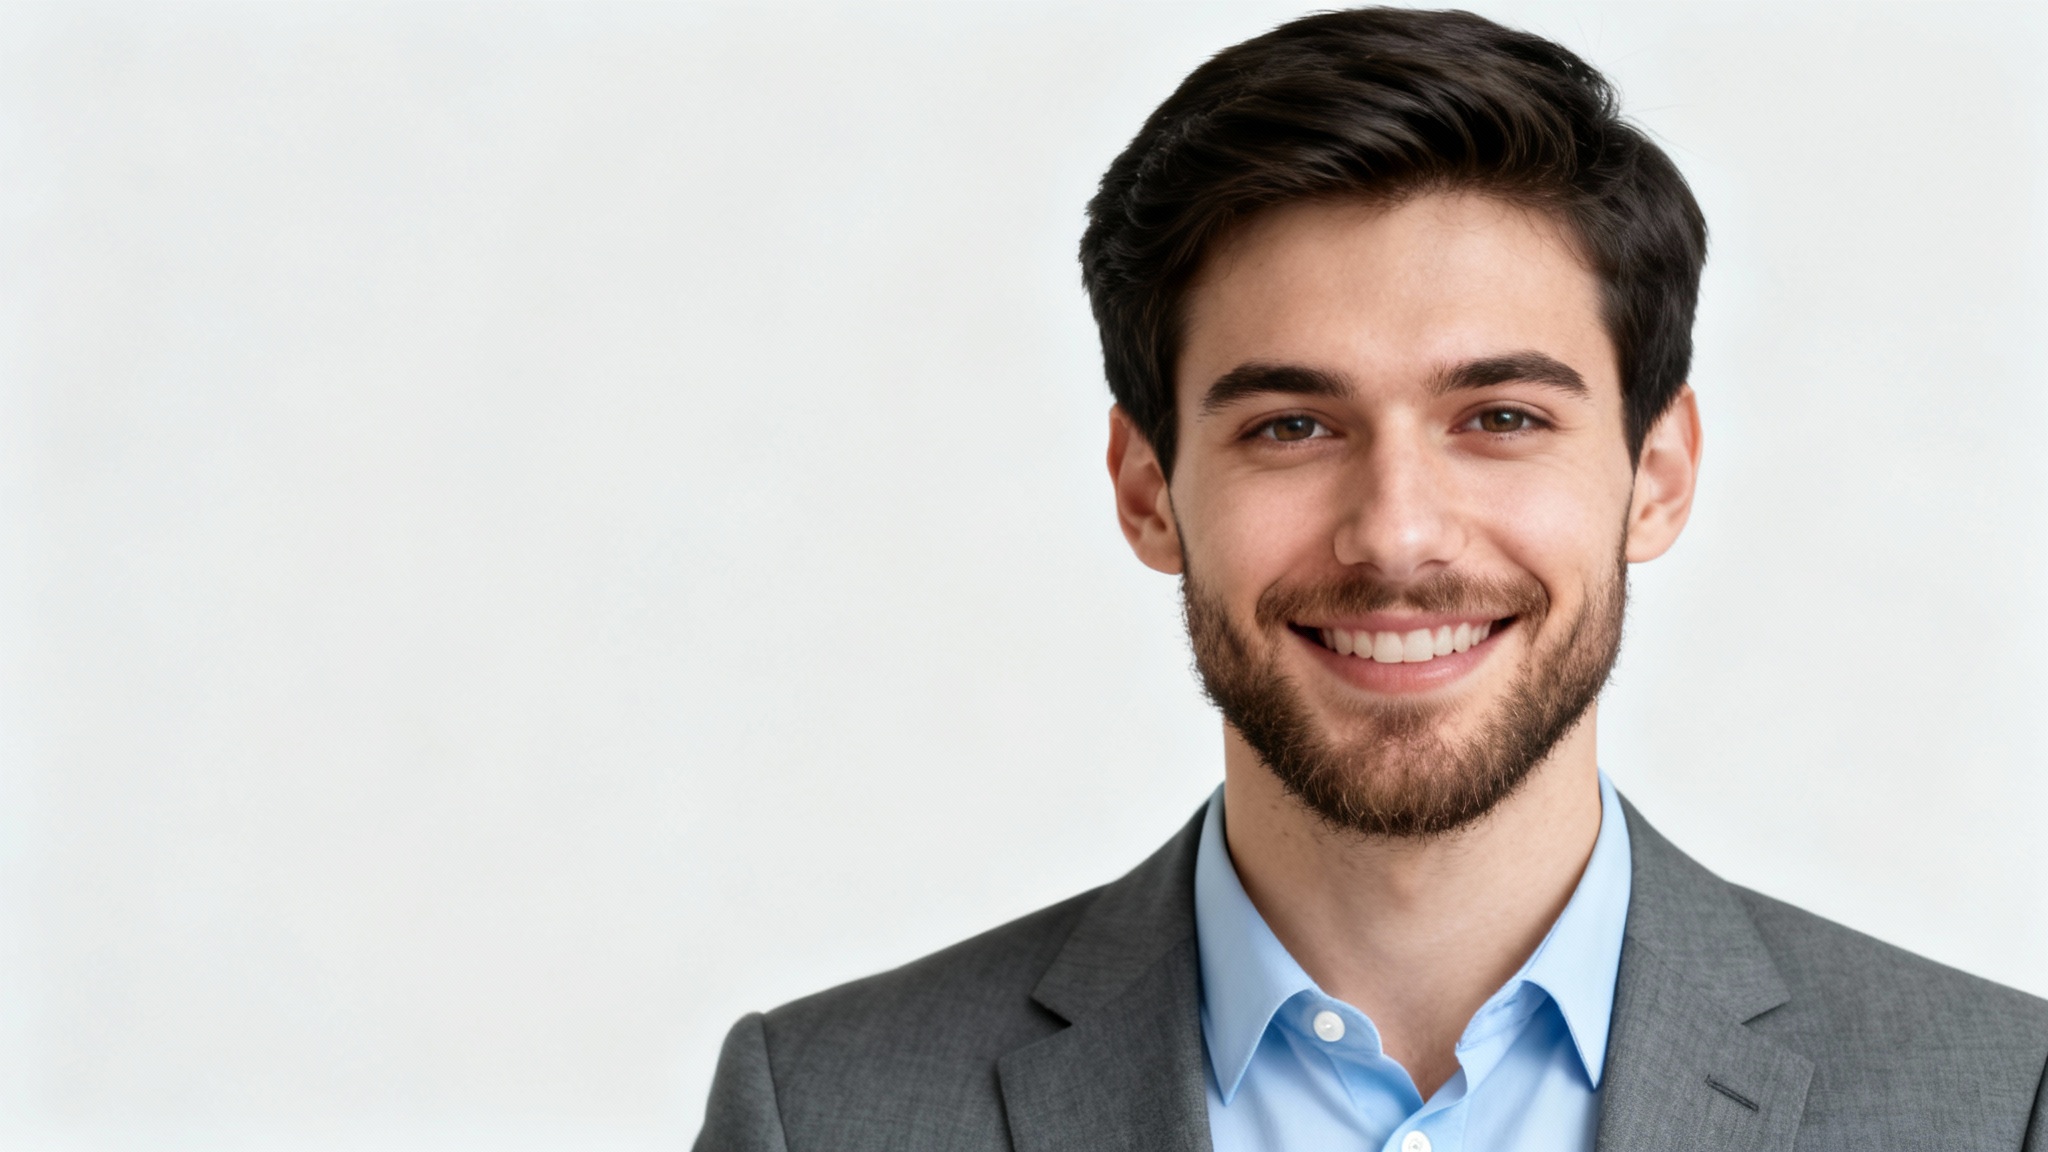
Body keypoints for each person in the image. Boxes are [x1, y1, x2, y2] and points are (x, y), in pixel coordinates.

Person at [694, 8, 2048, 1150]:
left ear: (1659, 473)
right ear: (1146, 486)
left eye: (1501, 418)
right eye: (1292, 426)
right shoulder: (824, 1114)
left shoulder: (1995, 1109)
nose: (1397, 537)